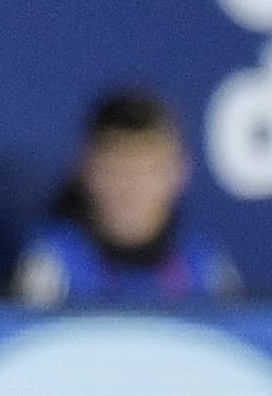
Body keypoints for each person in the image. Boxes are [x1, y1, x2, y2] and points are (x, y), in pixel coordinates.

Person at [15, 88, 242, 303]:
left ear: (179, 172)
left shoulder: (207, 270)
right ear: (84, 170)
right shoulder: (54, 266)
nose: (130, 187)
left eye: (145, 170)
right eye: (115, 170)